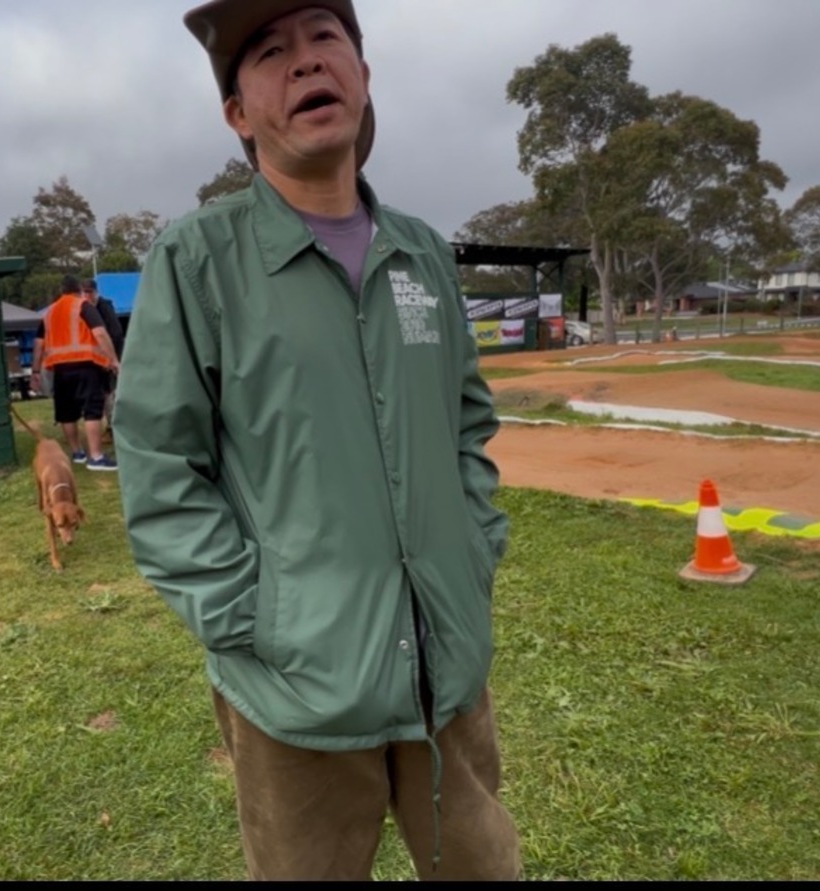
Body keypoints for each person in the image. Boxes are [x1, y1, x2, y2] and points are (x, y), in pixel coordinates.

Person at [112, 0, 519, 880]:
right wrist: (258, 618)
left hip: (446, 666)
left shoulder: (424, 255)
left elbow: (466, 422)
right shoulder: (197, 260)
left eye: (325, 37)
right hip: (296, 696)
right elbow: (160, 467)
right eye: (270, 51)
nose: (305, 62)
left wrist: (472, 550)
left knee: (483, 867)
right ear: (237, 112)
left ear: (363, 76)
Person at [31, 274, 120, 471]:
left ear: (61, 291)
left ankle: (77, 452)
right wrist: (113, 360)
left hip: (60, 369)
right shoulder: (83, 306)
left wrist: (35, 371)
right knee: (92, 411)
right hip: (86, 365)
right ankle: (96, 457)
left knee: (66, 412)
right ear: (79, 290)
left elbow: (38, 344)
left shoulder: (50, 312)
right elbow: (100, 333)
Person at [80, 278, 125, 439]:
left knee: (110, 393)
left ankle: (115, 428)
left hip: (109, 358)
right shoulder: (86, 308)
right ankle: (113, 427)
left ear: (96, 292)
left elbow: (115, 333)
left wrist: (111, 359)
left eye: (90, 292)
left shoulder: (104, 307)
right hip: (97, 359)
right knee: (105, 393)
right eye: (84, 292)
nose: (87, 295)